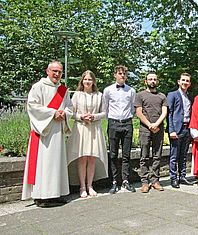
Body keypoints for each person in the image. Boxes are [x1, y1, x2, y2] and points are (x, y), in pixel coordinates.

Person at [22, 61, 73, 207]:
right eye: (54, 71)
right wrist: (52, 113)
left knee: (56, 163)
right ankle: (41, 196)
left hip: (57, 132)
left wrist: (64, 113)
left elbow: (70, 108)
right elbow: (32, 106)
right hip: (43, 132)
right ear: (47, 71)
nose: (57, 74)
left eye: (59, 71)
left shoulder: (63, 90)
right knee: (44, 164)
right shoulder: (38, 86)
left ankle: (55, 194)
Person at [66, 70, 108, 198]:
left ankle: (90, 185)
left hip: (95, 129)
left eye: (90, 79)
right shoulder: (77, 95)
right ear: (82, 81)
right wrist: (81, 116)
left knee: (92, 158)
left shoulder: (99, 95)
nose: (87, 82)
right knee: (82, 157)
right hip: (81, 128)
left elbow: (105, 112)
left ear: (93, 81)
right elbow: (71, 113)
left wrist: (94, 116)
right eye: (85, 79)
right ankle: (82, 187)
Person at [103, 65, 137, 194]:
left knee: (126, 154)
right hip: (113, 123)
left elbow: (133, 108)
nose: (122, 75)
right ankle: (114, 182)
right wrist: (113, 119)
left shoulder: (131, 91)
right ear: (115, 75)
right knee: (113, 154)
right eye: (119, 73)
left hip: (127, 124)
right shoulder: (108, 90)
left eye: (124, 74)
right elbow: (105, 107)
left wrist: (127, 118)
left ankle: (125, 181)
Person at [136, 72, 168, 193]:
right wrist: (149, 125)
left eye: (154, 79)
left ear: (157, 81)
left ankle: (155, 181)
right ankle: (144, 182)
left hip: (158, 129)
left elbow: (164, 112)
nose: (152, 81)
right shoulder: (140, 95)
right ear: (146, 81)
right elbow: (139, 112)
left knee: (157, 155)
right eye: (150, 79)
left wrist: (156, 124)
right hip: (145, 129)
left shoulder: (162, 96)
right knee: (144, 156)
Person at [167, 73, 196, 188]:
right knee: (174, 155)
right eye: (183, 80)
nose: (185, 82)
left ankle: (182, 176)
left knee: (183, 155)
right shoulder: (172, 95)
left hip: (186, 128)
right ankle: (173, 178)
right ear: (179, 81)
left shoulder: (190, 97)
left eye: (187, 81)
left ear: (189, 83)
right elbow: (169, 114)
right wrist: (171, 130)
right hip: (176, 129)